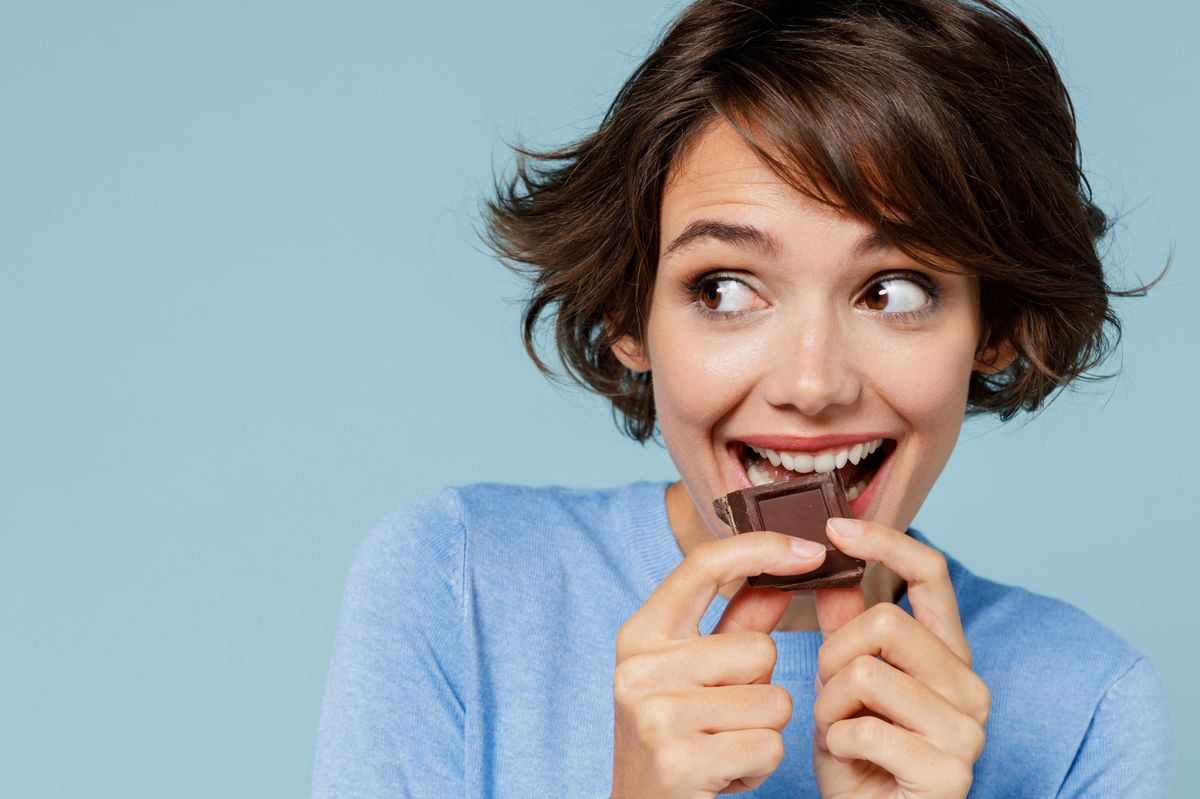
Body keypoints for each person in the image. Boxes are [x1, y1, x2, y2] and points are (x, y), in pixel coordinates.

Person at [311, 1, 1172, 796]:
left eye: (894, 291)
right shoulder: (456, 583)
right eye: (724, 289)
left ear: (994, 325)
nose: (812, 385)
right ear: (627, 312)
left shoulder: (1088, 708)